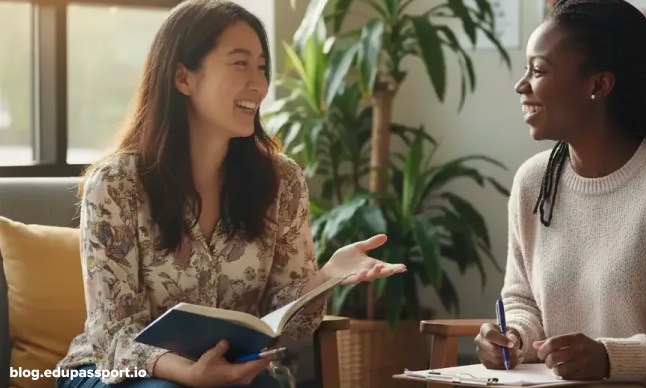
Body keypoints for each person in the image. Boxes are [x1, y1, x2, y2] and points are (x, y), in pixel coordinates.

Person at [53, 1, 406, 387]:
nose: (259, 84)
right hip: (121, 372)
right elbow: (113, 335)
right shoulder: (116, 185)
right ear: (183, 78)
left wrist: (327, 277)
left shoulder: (282, 181)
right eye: (240, 64)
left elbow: (290, 325)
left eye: (261, 67)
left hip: (236, 369)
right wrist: (188, 372)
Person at [474, 1, 646, 387]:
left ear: (599, 85)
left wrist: (610, 358)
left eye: (538, 71)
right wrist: (513, 338)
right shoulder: (534, 182)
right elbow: (522, 301)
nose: (522, 86)